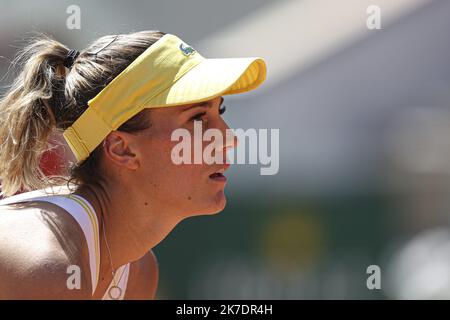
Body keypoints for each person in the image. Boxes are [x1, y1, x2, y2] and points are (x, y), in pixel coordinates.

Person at [0, 30, 266, 299]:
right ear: (122, 149)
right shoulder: (49, 269)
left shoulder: (137, 272)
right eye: (197, 118)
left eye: (219, 111)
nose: (228, 138)